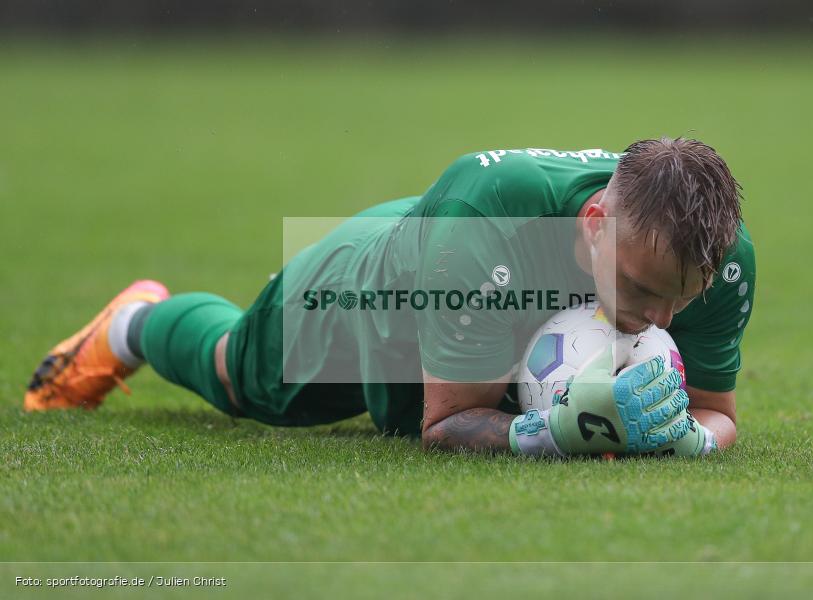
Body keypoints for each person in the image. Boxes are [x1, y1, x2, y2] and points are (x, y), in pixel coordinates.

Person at [24, 137, 755, 458]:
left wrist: (686, 441)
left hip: (466, 261)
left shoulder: (713, 255)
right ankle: (132, 325)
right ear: (594, 223)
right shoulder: (489, 211)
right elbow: (445, 424)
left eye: (676, 300)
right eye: (636, 289)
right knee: (239, 378)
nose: (657, 322)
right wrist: (554, 434)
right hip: (376, 287)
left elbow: (715, 416)